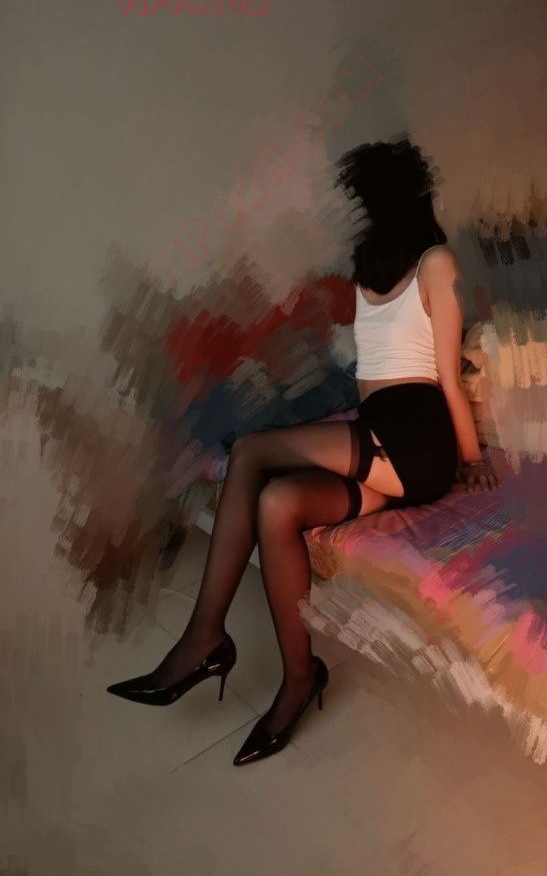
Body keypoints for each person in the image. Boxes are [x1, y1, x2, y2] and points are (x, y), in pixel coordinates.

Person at [106, 134, 499, 765]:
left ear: (390, 200)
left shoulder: (437, 262)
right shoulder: (371, 270)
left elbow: (449, 379)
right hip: (380, 440)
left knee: (250, 453)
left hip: (415, 440)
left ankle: (204, 638)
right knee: (278, 504)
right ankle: (299, 678)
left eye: (362, 200)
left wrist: (473, 461)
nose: (355, 213)